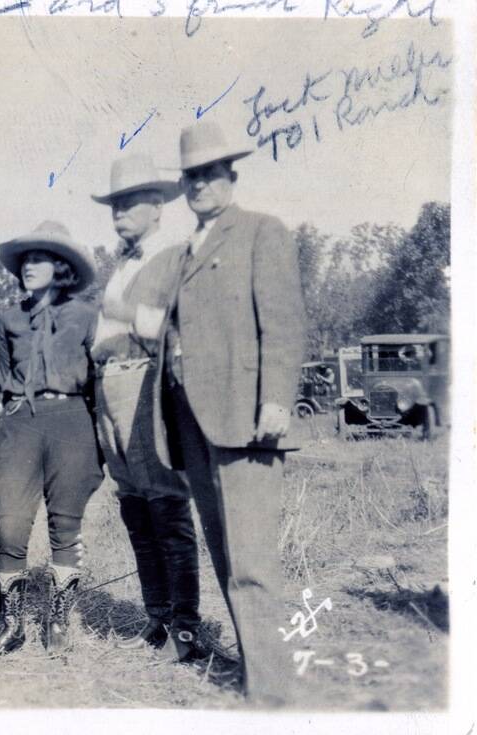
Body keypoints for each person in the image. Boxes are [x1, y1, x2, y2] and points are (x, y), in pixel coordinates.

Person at [163, 121, 307, 705]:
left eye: (209, 174)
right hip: (193, 424)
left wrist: (275, 396)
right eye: (191, 176)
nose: (200, 184)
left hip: (245, 419)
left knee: (252, 562)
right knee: (225, 554)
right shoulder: (183, 253)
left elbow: (284, 321)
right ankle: (257, 671)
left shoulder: (259, 232)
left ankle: (274, 696)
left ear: (231, 177)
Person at [88, 154, 204, 661]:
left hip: (145, 387)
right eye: (114, 205)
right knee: (135, 507)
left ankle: (186, 626)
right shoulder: (122, 264)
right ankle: (156, 616)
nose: (119, 214)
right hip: (108, 390)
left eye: (129, 203)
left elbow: (189, 329)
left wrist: (131, 314)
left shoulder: (179, 256)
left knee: (167, 506)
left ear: (158, 207)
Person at [0, 221, 103, 655]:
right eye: (26, 259)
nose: (30, 266)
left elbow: (98, 379)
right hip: (20, 422)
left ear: (62, 266)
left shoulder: (88, 316)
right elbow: (1, 377)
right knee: (11, 523)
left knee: (66, 525)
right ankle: (13, 625)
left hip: (73, 420)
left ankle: (58, 624)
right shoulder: (9, 318)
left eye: (40, 258)